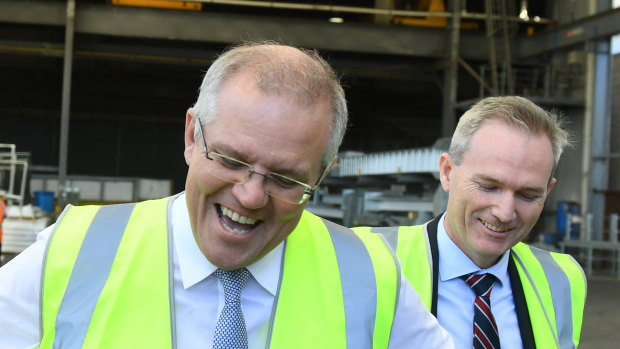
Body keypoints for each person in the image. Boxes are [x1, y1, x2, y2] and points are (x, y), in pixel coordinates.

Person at [0, 42, 453, 348]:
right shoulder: (74, 252)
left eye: (286, 179)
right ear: (192, 137)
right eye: (233, 160)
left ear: (324, 174)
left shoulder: (369, 278)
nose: (252, 196)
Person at [355, 96, 586, 348]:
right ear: (447, 172)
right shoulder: (365, 261)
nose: (505, 213)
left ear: (547, 192)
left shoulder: (564, 279)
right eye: (489, 186)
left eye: (527, 195)